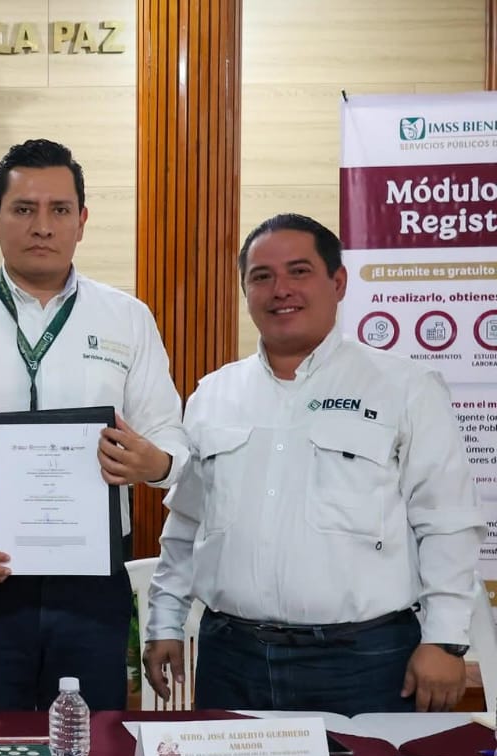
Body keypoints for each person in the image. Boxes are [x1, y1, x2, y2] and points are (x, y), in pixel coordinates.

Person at [144, 214, 482, 714]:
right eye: (262, 276)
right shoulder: (214, 394)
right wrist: (165, 621)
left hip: (364, 662)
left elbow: (447, 522)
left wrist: (446, 639)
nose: (280, 290)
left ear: (338, 282)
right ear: (246, 290)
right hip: (231, 658)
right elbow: (188, 524)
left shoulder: (404, 387)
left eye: (299, 271)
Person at [0, 138, 187, 712]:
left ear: (82, 222)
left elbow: (172, 440)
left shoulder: (126, 317)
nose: (42, 225)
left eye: (59, 210)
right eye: (23, 209)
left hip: (91, 581)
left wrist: (151, 463)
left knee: (89, 749)